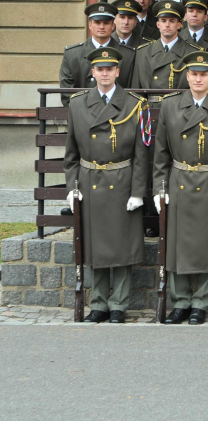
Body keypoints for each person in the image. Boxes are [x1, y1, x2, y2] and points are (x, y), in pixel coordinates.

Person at [152, 51, 208, 325]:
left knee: (207, 244)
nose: (198, 79)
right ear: (187, 76)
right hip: (180, 180)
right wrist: (159, 188)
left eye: (204, 74)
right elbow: (161, 153)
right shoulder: (170, 106)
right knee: (178, 245)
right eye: (193, 74)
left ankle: (201, 303)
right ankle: (179, 303)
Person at [63, 47, 150, 323]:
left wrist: (138, 192)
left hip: (122, 181)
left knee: (122, 246)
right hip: (91, 181)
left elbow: (142, 154)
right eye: (99, 69)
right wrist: (72, 187)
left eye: (109, 69)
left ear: (117, 72)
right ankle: (98, 304)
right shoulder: (77, 104)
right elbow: (71, 154)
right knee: (95, 246)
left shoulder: (136, 104)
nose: (104, 73)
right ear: (92, 72)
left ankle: (119, 305)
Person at [60, 3, 136, 106]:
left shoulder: (129, 54)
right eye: (97, 22)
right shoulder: (72, 54)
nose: (101, 27)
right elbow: (67, 94)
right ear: (90, 24)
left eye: (106, 23)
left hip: (118, 116)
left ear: (113, 25)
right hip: (83, 116)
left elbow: (133, 91)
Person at [131, 0, 204, 97]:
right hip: (150, 108)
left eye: (172, 21)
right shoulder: (143, 52)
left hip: (179, 108)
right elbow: (136, 90)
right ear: (158, 25)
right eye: (163, 20)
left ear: (179, 25)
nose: (167, 25)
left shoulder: (193, 52)